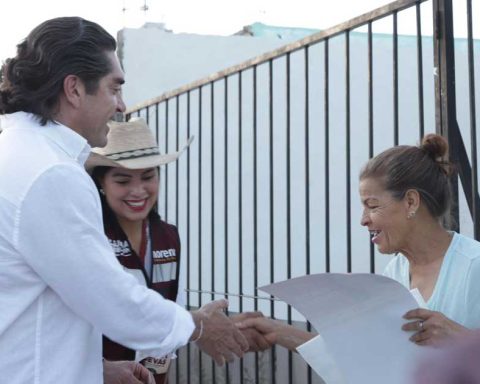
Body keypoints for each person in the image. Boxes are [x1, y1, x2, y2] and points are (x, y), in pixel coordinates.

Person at [0, 16, 251, 384]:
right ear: (73, 89)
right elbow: (111, 301)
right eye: (114, 88)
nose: (121, 105)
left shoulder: (17, 153)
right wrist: (197, 326)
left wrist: (92, 367)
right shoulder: (50, 172)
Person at [238, 133, 480, 351]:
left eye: (372, 206)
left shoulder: (474, 265)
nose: (363, 220)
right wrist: (278, 332)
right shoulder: (395, 272)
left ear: (410, 202)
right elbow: (368, 356)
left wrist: (461, 339)